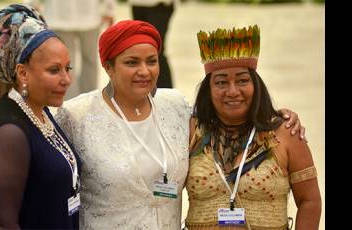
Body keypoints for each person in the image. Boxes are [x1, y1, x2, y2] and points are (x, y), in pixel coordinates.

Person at [55, 20, 304, 229]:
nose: (144, 71)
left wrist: (277, 116)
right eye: (132, 63)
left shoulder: (174, 106)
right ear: (108, 67)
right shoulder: (77, 115)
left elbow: (228, 112)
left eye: (151, 61)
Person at [184, 25, 321, 229]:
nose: (232, 91)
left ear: (256, 85)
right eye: (221, 83)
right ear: (208, 89)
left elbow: (310, 201)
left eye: (242, 80)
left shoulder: (286, 133)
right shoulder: (191, 129)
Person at [0, 4, 81, 229]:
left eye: (67, 68)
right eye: (54, 70)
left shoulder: (38, 109)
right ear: (22, 73)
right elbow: (2, 222)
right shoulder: (10, 134)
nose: (66, 79)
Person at [26, 0, 116, 99]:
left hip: (87, 15)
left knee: (88, 61)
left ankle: (90, 100)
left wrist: (109, 8)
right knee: (66, 63)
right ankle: (71, 103)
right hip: (59, 16)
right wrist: (31, 5)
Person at [128, 0, 176, 88]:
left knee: (156, 50)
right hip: (137, 4)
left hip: (159, 5)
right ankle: (146, 90)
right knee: (142, 48)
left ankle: (166, 92)